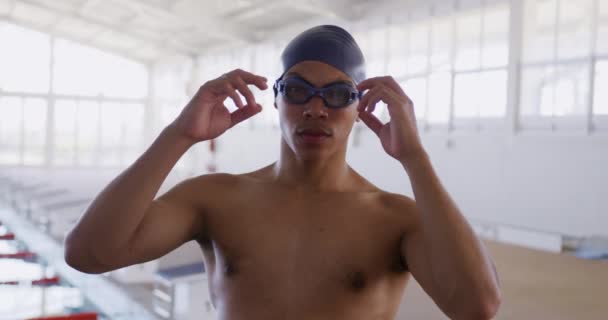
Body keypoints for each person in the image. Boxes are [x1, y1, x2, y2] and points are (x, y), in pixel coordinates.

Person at [64, 25, 501, 320]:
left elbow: (477, 305)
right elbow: (89, 254)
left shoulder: (394, 217)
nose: (315, 108)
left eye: (335, 94)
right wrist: (178, 135)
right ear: (275, 100)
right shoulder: (214, 199)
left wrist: (416, 158)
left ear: (359, 107)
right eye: (296, 90)